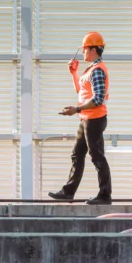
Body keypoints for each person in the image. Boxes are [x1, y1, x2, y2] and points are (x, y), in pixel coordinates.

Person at [48, 32, 112, 205]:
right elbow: (82, 92)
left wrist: (76, 109)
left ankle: (105, 196)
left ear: (92, 49)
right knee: (77, 154)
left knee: (97, 156)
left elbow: (97, 99)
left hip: (94, 120)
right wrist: (73, 73)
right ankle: (68, 192)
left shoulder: (97, 71)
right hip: (86, 119)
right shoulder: (91, 69)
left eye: (84, 49)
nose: (83, 52)